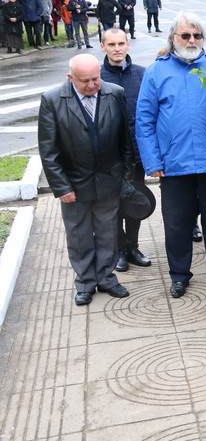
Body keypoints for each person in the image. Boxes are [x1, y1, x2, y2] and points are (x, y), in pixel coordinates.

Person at [136, 12, 206, 299]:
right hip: (174, 164)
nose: (192, 40)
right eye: (186, 35)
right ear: (174, 38)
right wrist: (152, 161)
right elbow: (144, 120)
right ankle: (179, 275)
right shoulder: (156, 72)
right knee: (177, 225)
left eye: (197, 35)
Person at [38, 54, 134, 305]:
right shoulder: (52, 100)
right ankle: (85, 283)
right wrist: (61, 187)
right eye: (85, 81)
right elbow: (48, 151)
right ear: (71, 78)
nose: (92, 85)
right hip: (74, 183)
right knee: (78, 235)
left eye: (95, 79)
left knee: (107, 232)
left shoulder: (114, 93)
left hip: (109, 179)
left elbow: (124, 138)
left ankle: (107, 278)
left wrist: (126, 173)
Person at [98, 28, 152, 273]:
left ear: (128, 45)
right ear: (103, 47)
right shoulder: (97, 77)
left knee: (135, 200)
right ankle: (119, 249)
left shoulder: (142, 74)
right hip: (109, 156)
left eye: (121, 43)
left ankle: (133, 247)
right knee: (113, 205)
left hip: (137, 154)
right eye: (111, 44)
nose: (117, 49)